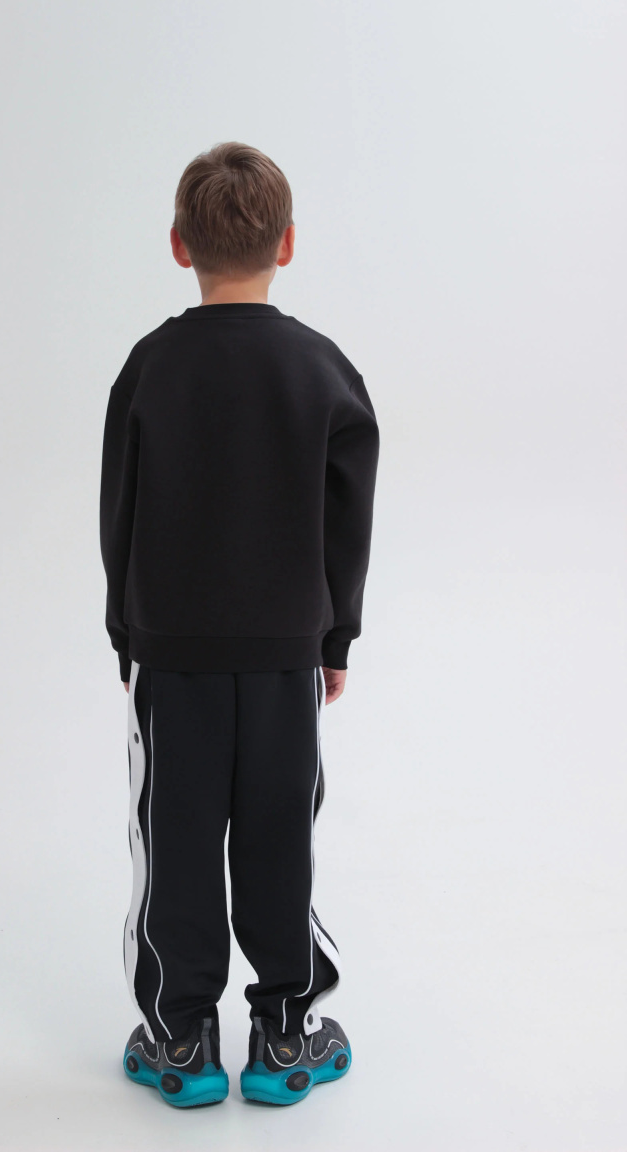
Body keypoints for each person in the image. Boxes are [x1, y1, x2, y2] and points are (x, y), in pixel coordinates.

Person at [99, 141, 380, 1108]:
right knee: (278, 837)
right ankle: (284, 1034)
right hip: (283, 658)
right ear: (287, 244)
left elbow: (119, 512)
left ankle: (180, 1040)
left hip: (172, 657)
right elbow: (348, 520)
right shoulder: (323, 369)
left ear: (180, 245)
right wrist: (335, 639)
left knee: (174, 840)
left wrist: (126, 635)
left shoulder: (149, 368)